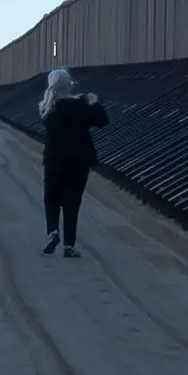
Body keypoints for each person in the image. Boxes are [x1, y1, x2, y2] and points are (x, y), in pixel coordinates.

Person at [38, 66, 108, 256]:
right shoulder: (80, 105)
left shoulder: (47, 107)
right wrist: (94, 103)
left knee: (51, 198)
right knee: (72, 201)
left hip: (54, 159)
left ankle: (53, 232)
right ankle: (69, 245)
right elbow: (102, 121)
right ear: (68, 85)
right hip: (79, 160)